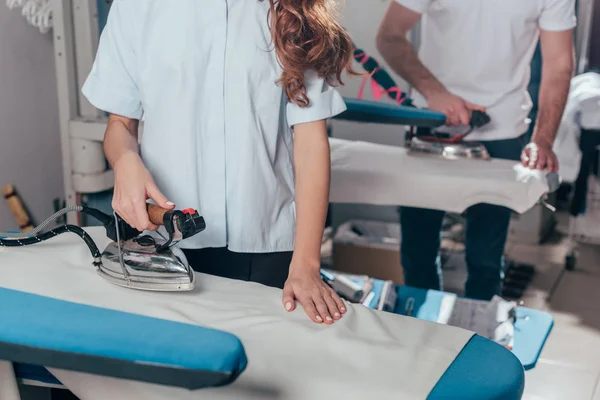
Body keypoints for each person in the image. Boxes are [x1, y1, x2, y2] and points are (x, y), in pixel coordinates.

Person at [82, 0, 354, 324]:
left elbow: (310, 143)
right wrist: (125, 160)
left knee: (267, 364)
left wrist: (307, 265)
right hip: (164, 239)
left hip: (265, 241)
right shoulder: (137, 7)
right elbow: (120, 126)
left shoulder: (291, 10)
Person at [376, 0, 575, 300]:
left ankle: (477, 337)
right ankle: (422, 334)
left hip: (504, 131)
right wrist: (435, 93)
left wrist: (543, 139)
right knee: (418, 252)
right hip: (432, 121)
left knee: (485, 260)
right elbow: (389, 36)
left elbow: (559, 63)